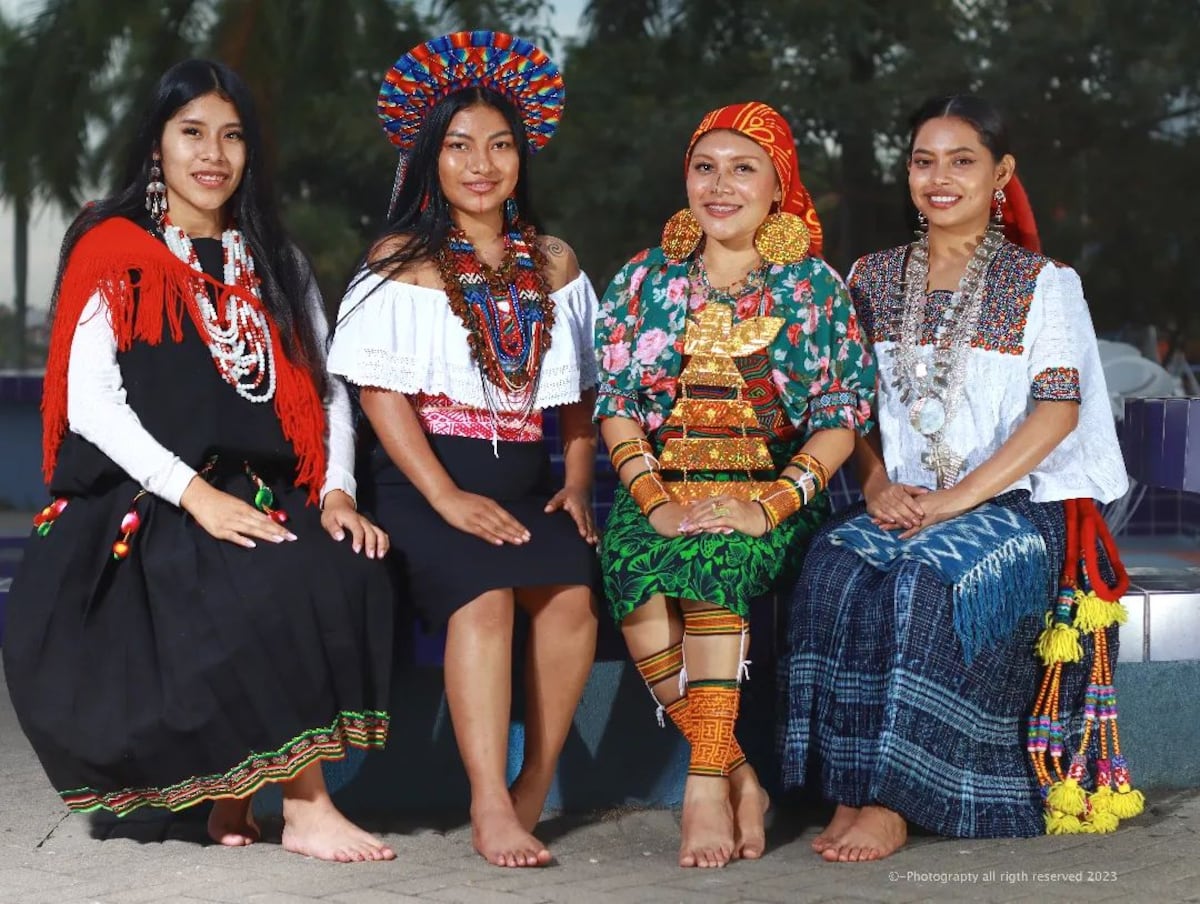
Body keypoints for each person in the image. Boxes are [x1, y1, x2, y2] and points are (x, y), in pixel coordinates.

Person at [2, 59, 397, 863]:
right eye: (192, 133)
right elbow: (91, 403)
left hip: (261, 484)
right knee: (265, 573)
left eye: (232, 135)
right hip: (143, 496)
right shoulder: (114, 249)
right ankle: (307, 808)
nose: (212, 153)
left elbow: (325, 391)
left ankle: (228, 800)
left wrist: (339, 491)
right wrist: (196, 496)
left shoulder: (275, 260)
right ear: (157, 146)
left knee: (346, 558)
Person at [778, 94, 1132, 862]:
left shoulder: (1044, 284)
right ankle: (847, 786)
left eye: (962, 160)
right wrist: (874, 486)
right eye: (923, 160)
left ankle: (899, 799)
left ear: (1001, 173)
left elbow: (1056, 414)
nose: (940, 177)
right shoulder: (867, 278)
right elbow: (845, 407)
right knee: (834, 565)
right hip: (904, 499)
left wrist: (952, 503)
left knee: (926, 579)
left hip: (1019, 508)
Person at [326, 32, 599, 869]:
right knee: (482, 597)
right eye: (459, 147)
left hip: (524, 484)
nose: (482, 164)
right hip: (423, 485)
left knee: (572, 598)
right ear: (430, 158)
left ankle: (530, 789)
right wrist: (443, 498)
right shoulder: (398, 262)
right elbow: (377, 392)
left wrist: (580, 482)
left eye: (501, 144)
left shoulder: (553, 263)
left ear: (523, 156)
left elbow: (584, 388)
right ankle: (487, 804)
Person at [594, 102, 876, 869]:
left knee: (715, 556)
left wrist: (766, 506)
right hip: (659, 483)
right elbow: (616, 407)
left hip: (767, 495)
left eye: (743, 168)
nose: (721, 186)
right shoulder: (641, 279)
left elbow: (839, 420)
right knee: (635, 567)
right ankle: (741, 773)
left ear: (778, 186)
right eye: (705, 167)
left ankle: (702, 787)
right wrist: (654, 502)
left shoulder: (812, 288)